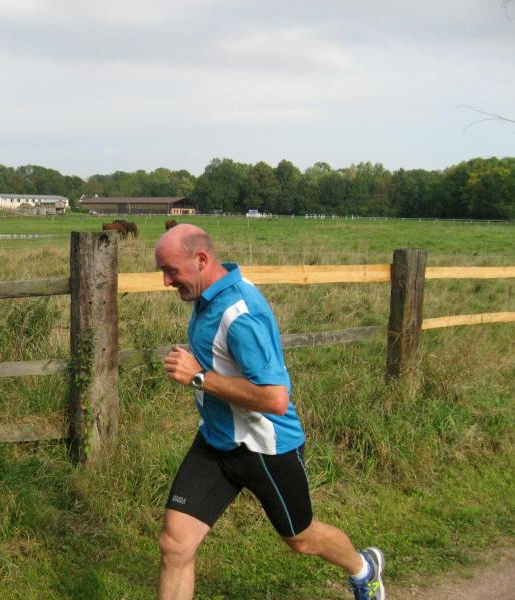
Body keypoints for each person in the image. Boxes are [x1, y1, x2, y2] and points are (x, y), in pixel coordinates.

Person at [154, 224, 385, 600]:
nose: (166, 281)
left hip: (264, 447)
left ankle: (364, 568)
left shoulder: (240, 314)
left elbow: (275, 399)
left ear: (201, 260)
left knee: (302, 539)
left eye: (171, 271)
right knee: (175, 545)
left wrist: (198, 377)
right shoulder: (207, 296)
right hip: (216, 441)